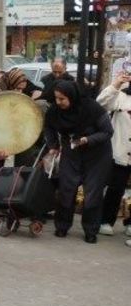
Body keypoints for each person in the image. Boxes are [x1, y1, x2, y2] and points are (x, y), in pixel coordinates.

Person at [45, 81, 113, 243]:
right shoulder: (55, 111)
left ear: (72, 96)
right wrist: (53, 145)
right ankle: (62, 226)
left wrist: (88, 139)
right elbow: (48, 127)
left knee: (92, 193)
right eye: (56, 98)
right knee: (66, 189)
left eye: (62, 99)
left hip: (97, 155)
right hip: (72, 151)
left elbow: (107, 132)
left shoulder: (92, 108)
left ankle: (90, 230)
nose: (59, 102)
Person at [97, 72, 131, 238]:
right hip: (120, 150)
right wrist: (116, 84)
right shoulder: (121, 97)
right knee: (115, 188)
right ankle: (106, 220)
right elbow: (101, 103)